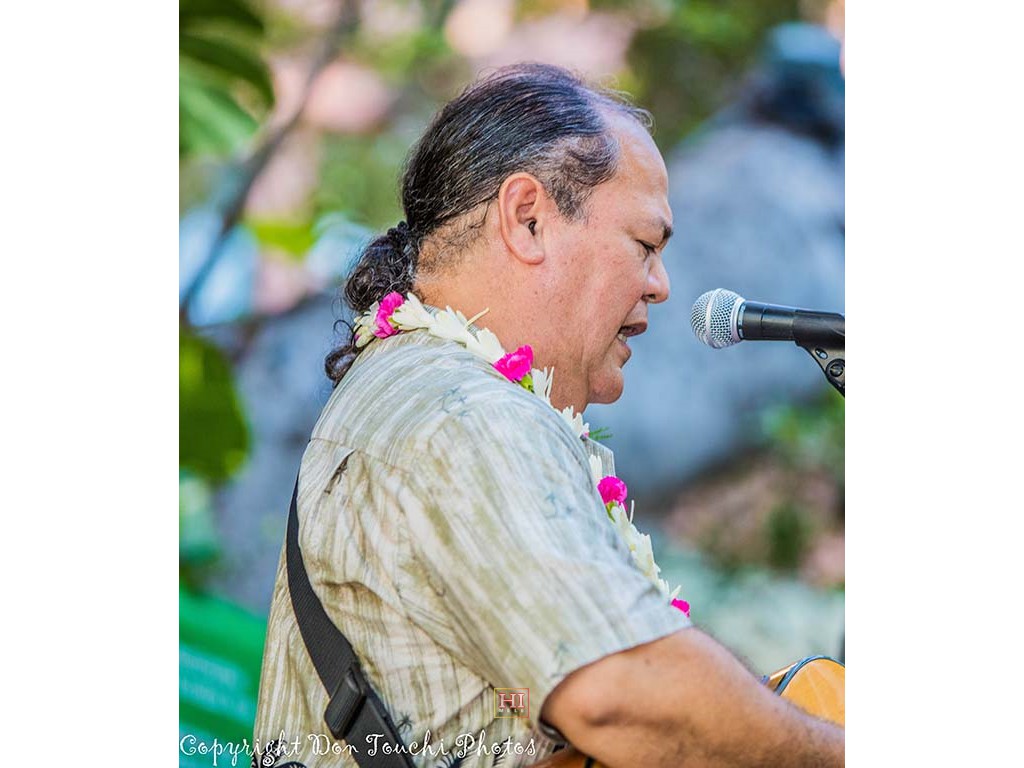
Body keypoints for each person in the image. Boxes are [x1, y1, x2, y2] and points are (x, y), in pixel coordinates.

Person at [253, 63, 844, 767]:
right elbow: (618, 694)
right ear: (528, 218)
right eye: (645, 245)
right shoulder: (466, 414)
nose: (660, 285)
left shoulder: (423, 391)